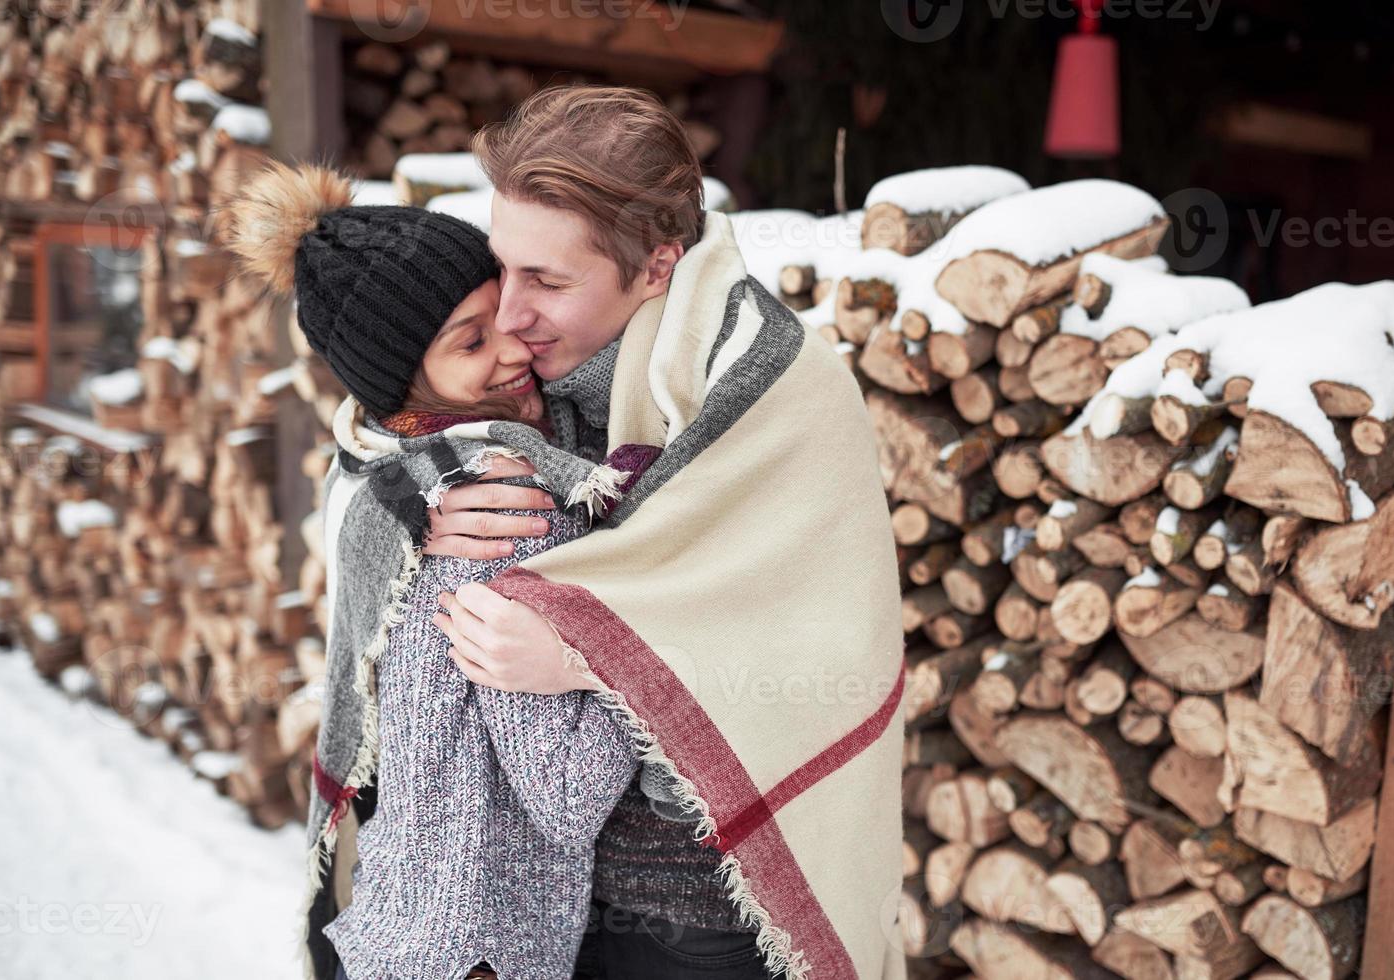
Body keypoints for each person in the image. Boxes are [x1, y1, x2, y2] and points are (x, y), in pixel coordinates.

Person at [427, 86, 909, 980]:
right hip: (540, 901)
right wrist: (424, 508)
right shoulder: (524, 375)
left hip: (710, 916)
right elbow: (379, 436)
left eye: (548, 282)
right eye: (507, 269)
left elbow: (820, 659)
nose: (507, 315)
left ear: (657, 266)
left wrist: (587, 660)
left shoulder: (771, 388)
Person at [226, 161, 680, 980]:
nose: (513, 346)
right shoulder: (501, 510)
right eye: (470, 342)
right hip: (476, 958)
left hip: (408, 937)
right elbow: (569, 793)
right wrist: (648, 633)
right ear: (404, 388)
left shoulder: (412, 480)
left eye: (501, 309)